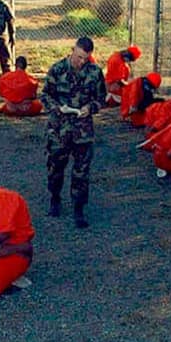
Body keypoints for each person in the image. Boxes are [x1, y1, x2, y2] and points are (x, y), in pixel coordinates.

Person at [41, 36, 107, 228]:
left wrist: (91, 107)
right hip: (59, 129)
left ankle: (79, 208)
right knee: (55, 169)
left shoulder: (94, 72)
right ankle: (55, 197)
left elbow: (101, 97)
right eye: (79, 57)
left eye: (85, 58)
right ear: (72, 50)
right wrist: (57, 108)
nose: (81, 62)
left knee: (81, 173)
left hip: (82, 131)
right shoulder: (57, 69)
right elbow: (45, 95)